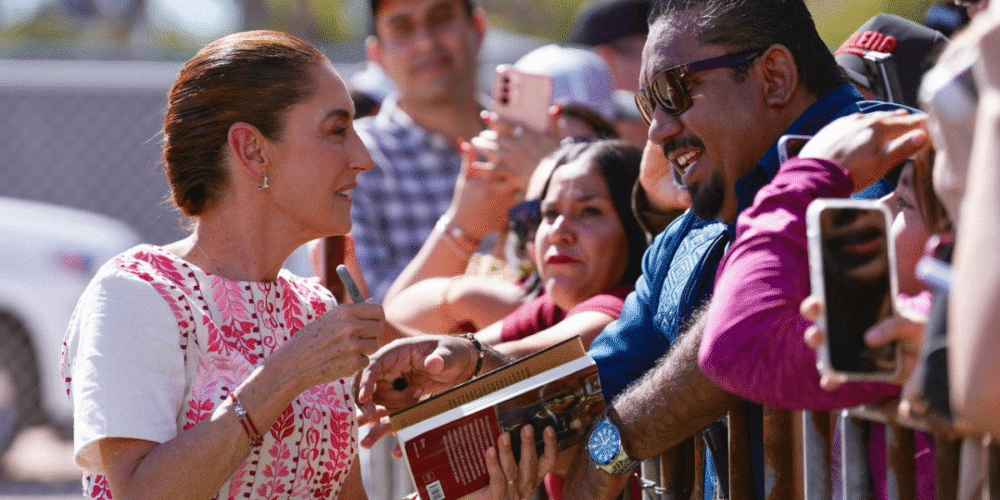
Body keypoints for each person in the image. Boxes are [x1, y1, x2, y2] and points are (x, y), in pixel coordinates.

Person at [359, 1, 906, 498]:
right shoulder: (691, 231)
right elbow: (609, 371)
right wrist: (478, 371)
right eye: (648, 105)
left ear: (775, 76)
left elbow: (747, 326)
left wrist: (611, 451)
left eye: (674, 93)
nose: (659, 131)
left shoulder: (887, 163)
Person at [59, 30, 547, 500]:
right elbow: (140, 492)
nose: (362, 158)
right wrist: (286, 373)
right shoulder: (136, 294)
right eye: (337, 130)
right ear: (252, 150)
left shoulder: (314, 310)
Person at [352, 0, 487, 302]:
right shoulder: (352, 162)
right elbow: (366, 322)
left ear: (478, 29)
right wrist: (461, 230)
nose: (426, 42)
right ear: (377, 56)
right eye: (402, 27)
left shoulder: (532, 141)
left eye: (440, 19)